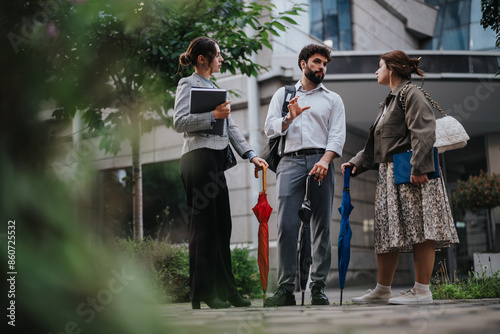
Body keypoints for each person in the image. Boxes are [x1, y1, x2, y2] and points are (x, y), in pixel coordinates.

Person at [341, 50, 459, 305]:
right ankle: (382, 290)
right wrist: (356, 163)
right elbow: (379, 144)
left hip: (410, 172)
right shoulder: (389, 101)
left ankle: (422, 291)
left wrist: (419, 168)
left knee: (420, 229)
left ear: (391, 69)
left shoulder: (411, 93)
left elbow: (424, 131)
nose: (376, 71)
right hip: (389, 174)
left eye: (379, 66)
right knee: (386, 232)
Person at [174, 36, 268, 309]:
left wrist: (251, 155)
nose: (221, 59)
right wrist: (213, 116)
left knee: (222, 227)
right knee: (203, 228)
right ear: (202, 59)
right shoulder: (187, 84)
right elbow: (179, 122)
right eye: (217, 55)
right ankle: (203, 292)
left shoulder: (214, 87)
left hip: (214, 161)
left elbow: (232, 128)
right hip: (196, 160)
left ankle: (227, 290)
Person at [264, 44, 346, 306]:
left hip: (321, 161)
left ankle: (318, 287)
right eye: (316, 62)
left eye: (324, 64)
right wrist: (288, 119)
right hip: (290, 162)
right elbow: (269, 129)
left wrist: (324, 160)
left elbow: (337, 135)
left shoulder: (333, 99)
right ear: (303, 64)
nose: (321, 67)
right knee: (286, 226)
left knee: (322, 226)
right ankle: (285, 289)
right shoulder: (284, 94)